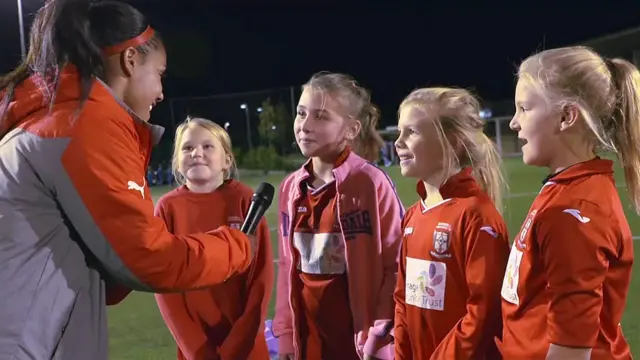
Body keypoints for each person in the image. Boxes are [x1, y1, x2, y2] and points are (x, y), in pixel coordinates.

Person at [0, 1, 256, 359]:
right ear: (131, 60)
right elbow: (150, 260)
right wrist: (237, 247)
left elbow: (108, 275)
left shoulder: (52, 119)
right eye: (160, 73)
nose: (161, 91)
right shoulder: (82, 126)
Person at [500, 46, 638, 360]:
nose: (514, 123)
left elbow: (572, 348)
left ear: (566, 117)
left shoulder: (574, 212)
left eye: (524, 108)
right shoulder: (564, 189)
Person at [272, 72, 403, 360]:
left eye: (320, 117)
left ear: (351, 129)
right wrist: (286, 335)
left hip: (361, 345)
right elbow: (286, 267)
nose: (304, 125)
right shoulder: (290, 188)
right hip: (309, 342)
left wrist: (380, 334)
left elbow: (396, 266)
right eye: (301, 113)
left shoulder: (370, 183)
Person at [393, 87, 510, 359]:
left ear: (453, 141)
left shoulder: (476, 216)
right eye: (399, 132)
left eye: (412, 132)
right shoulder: (412, 216)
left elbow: (484, 313)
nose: (398, 142)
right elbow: (402, 301)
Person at [154, 117, 274, 360]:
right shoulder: (168, 208)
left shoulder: (245, 199)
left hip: (246, 347)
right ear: (177, 162)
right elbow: (165, 288)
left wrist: (238, 347)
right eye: (187, 148)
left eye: (208, 146)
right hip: (196, 348)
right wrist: (197, 350)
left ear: (227, 160)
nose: (197, 153)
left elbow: (260, 279)